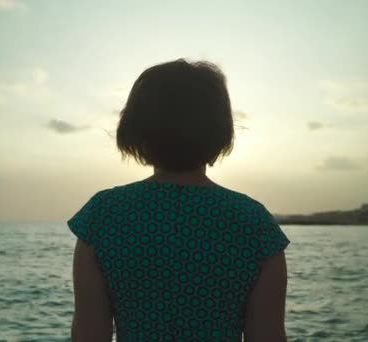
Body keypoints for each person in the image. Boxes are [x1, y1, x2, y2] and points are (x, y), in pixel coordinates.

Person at [68, 59, 290, 341]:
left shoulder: (103, 215)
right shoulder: (253, 221)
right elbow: (268, 336)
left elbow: (89, 333)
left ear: (137, 131)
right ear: (220, 132)